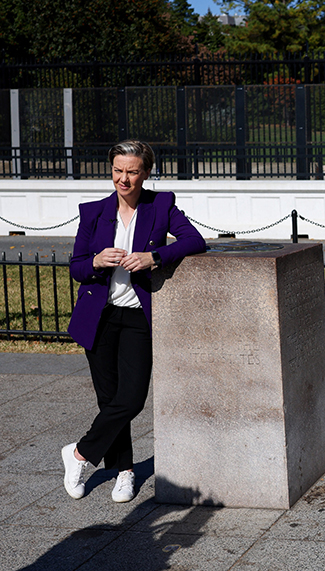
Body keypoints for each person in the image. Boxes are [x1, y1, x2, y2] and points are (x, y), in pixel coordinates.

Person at [61, 140, 206, 502]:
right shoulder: (93, 212)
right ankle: (124, 471)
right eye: (117, 171)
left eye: (132, 172)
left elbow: (195, 241)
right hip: (99, 317)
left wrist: (152, 256)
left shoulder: (161, 206)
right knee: (110, 399)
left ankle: (79, 453)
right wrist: (96, 260)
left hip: (138, 317)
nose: (123, 179)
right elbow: (77, 267)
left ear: (146, 172)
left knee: (131, 398)